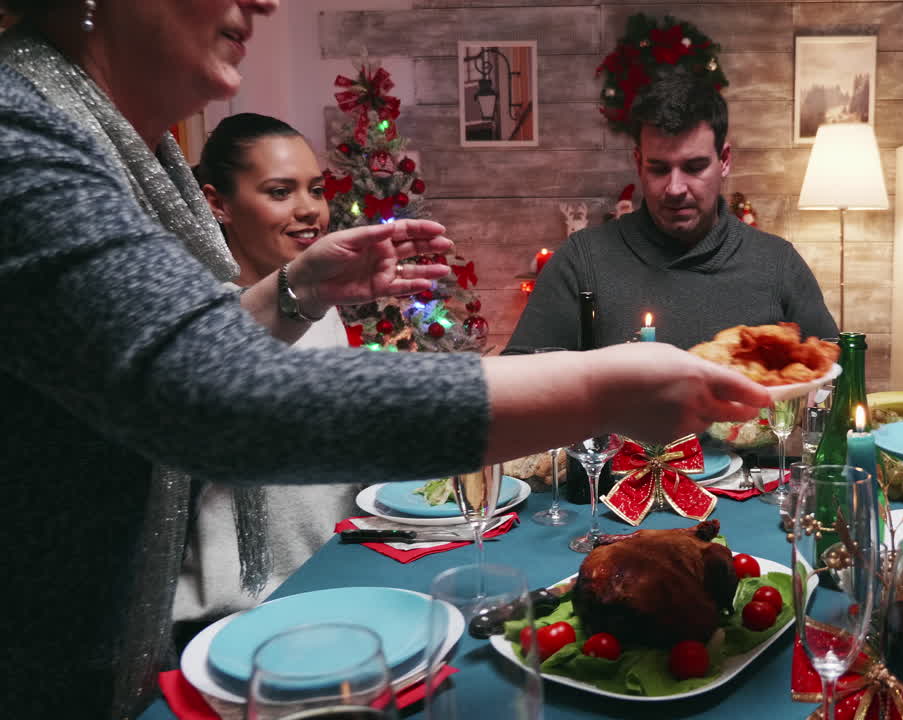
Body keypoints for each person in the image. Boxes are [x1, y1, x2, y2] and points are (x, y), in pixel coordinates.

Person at [0, 2, 770, 715]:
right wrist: (601, 388)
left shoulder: (135, 149)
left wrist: (295, 290)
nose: (266, 1)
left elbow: (177, 350)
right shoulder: (19, 135)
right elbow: (210, 394)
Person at [170, 113, 361, 644]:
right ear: (218, 203)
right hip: (232, 619)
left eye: (316, 189)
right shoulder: (191, 322)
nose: (309, 209)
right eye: (280, 191)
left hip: (335, 584)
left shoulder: (321, 304)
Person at [505, 70, 838, 352]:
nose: (675, 188)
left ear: (724, 161)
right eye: (659, 169)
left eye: (694, 167)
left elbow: (833, 381)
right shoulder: (583, 261)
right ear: (638, 163)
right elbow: (520, 381)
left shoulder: (777, 264)